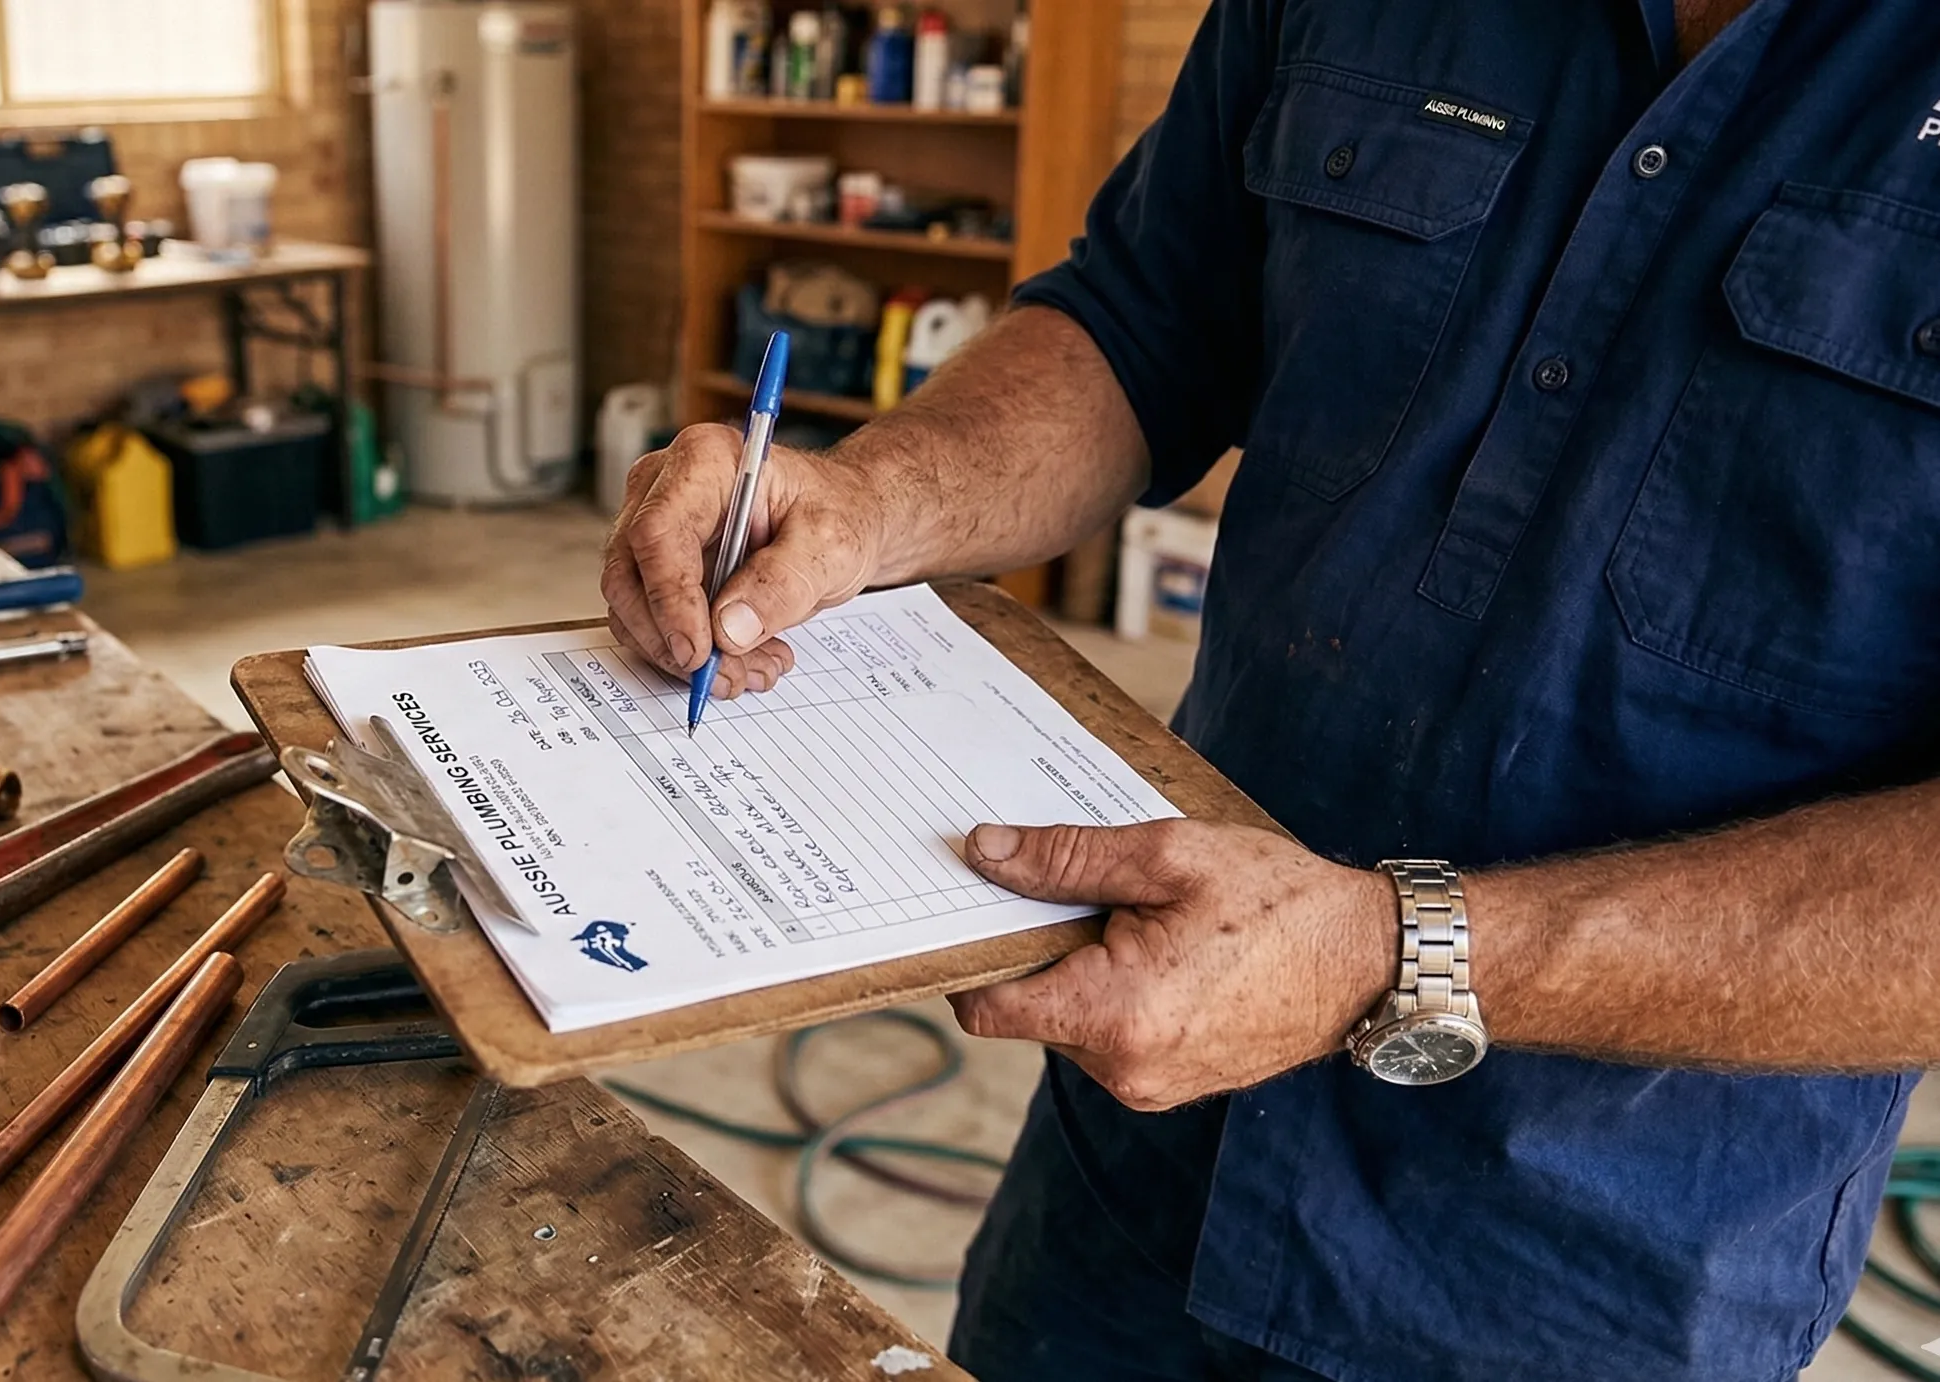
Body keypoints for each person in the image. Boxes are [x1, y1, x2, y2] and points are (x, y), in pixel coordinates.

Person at [600, 1, 1940, 1378]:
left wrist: (1389, 952)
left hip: (1588, 1277)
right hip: (1142, 1154)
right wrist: (872, 498)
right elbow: (1144, 321)